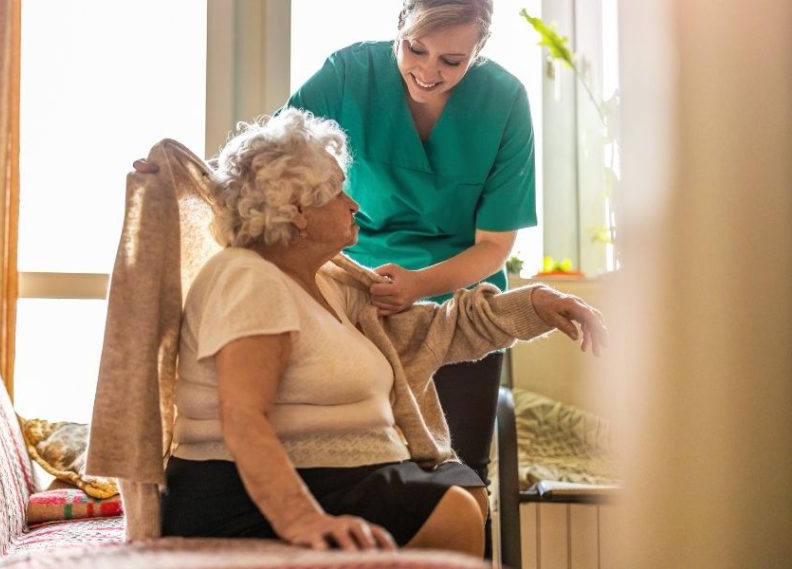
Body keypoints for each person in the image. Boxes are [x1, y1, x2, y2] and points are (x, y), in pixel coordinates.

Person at [156, 108, 605, 556]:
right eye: (336, 192)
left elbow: (440, 329)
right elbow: (242, 415)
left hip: (338, 474)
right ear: (296, 211)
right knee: (453, 511)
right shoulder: (248, 277)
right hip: (241, 493)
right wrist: (301, 518)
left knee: (464, 494)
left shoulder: (332, 285)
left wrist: (538, 304)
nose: (353, 204)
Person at [285, 0, 533, 493]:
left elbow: (494, 245)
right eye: (416, 49)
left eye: (451, 61)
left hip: (460, 304)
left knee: (461, 476)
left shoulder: (504, 101)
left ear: (478, 49)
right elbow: (271, 157)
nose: (427, 71)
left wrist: (421, 285)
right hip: (354, 296)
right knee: (353, 474)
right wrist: (176, 174)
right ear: (399, 26)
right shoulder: (348, 73)